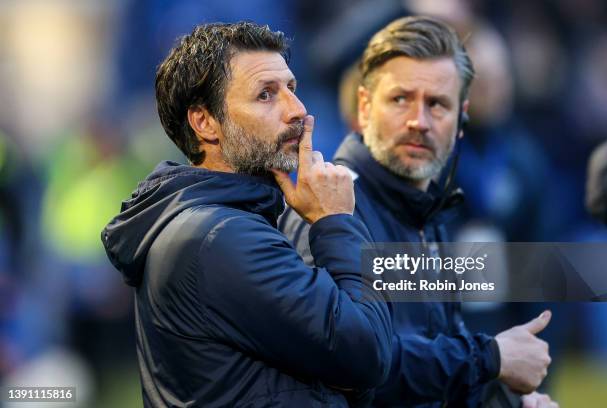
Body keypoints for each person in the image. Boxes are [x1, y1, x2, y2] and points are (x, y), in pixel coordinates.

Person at [101, 22, 393, 407]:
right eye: (266, 95)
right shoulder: (220, 237)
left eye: (292, 88)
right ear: (205, 122)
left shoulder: (230, 223)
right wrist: (336, 221)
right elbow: (369, 353)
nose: (298, 111)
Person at [280, 16, 557, 407]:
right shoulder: (330, 208)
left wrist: (507, 401)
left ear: (461, 119)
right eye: (400, 99)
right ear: (363, 106)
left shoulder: (428, 212)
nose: (419, 121)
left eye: (437, 104)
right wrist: (490, 358)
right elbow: (348, 365)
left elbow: (431, 374)